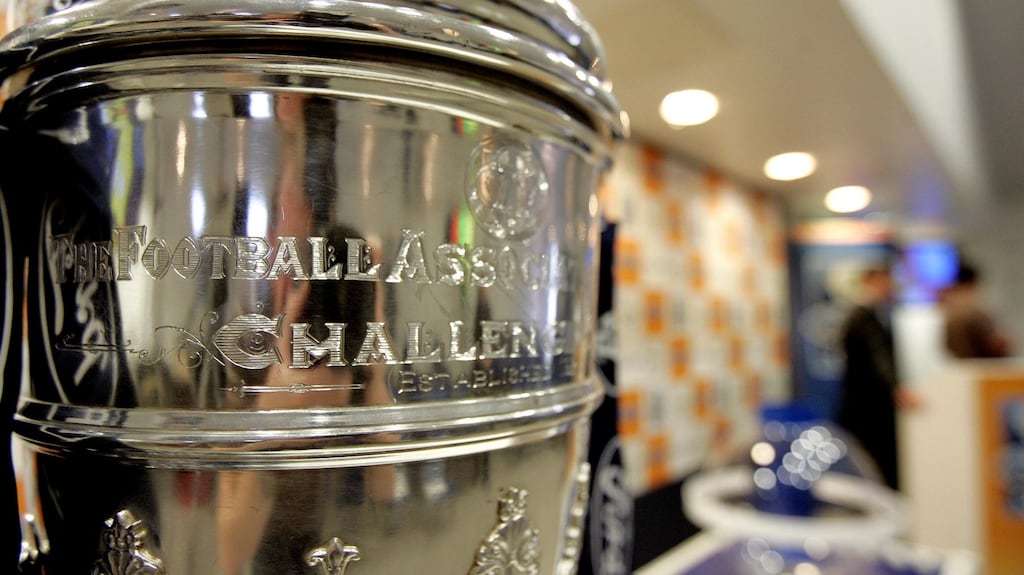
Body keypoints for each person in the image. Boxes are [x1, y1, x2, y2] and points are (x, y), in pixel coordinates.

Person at [836, 266, 906, 491]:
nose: (888, 289)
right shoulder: (864, 319)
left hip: (867, 404)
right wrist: (894, 388)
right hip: (869, 407)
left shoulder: (867, 316)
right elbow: (877, 358)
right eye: (883, 283)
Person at [941, 261, 1012, 359]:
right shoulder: (974, 312)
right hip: (979, 364)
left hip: (961, 363)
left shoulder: (949, 311)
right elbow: (993, 345)